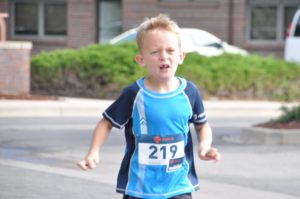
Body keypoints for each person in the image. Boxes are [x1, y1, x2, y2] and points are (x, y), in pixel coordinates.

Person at [77, 14, 220, 199]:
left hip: (179, 185)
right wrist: (93, 152)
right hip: (140, 188)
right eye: (155, 52)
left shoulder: (190, 92)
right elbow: (106, 123)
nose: (163, 57)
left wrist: (204, 147)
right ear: (141, 59)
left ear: (181, 56)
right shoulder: (134, 93)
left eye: (170, 50)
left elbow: (202, 125)